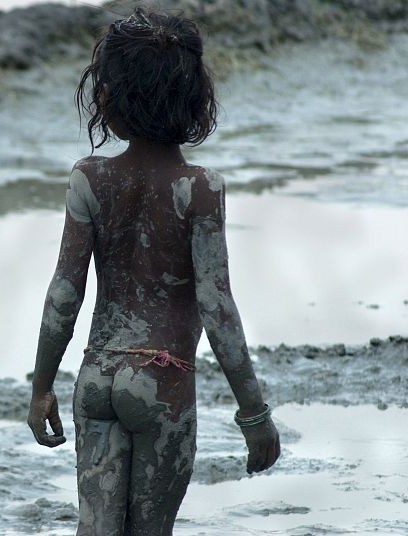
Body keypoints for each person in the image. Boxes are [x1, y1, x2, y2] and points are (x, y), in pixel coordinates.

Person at [26, 6, 280, 535]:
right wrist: (253, 414)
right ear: (193, 100)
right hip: (161, 382)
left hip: (96, 377)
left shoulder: (89, 178)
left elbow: (63, 294)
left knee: (95, 529)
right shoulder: (200, 188)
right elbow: (217, 308)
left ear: (109, 100)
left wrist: (42, 388)